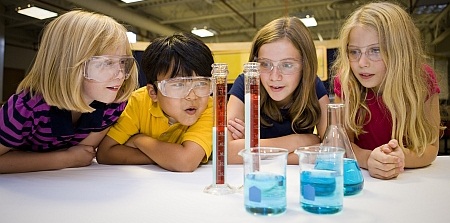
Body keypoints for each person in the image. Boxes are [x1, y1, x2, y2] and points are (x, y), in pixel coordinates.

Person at [0, 10, 138, 174]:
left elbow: (84, 153)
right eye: (107, 63)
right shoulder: (24, 108)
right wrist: (64, 159)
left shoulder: (113, 104)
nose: (121, 74)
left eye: (123, 62)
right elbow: (77, 157)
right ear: (68, 64)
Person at [332, 2, 441, 180]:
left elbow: (430, 148)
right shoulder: (346, 81)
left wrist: (399, 157)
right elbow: (342, 145)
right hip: (364, 180)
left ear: (400, 51)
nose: (362, 63)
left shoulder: (422, 80)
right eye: (354, 52)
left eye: (375, 51)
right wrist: (368, 159)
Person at [97, 33, 214, 172]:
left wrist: (139, 140)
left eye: (201, 83)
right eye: (178, 85)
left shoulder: (209, 107)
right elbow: (105, 153)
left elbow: (185, 162)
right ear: (153, 93)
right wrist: (167, 157)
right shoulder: (138, 102)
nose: (192, 96)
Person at [227, 17, 330, 164]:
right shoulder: (246, 83)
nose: (274, 77)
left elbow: (332, 149)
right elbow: (227, 152)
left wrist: (252, 149)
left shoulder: (313, 85)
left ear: (305, 66)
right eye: (265, 64)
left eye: (287, 65)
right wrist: (302, 140)